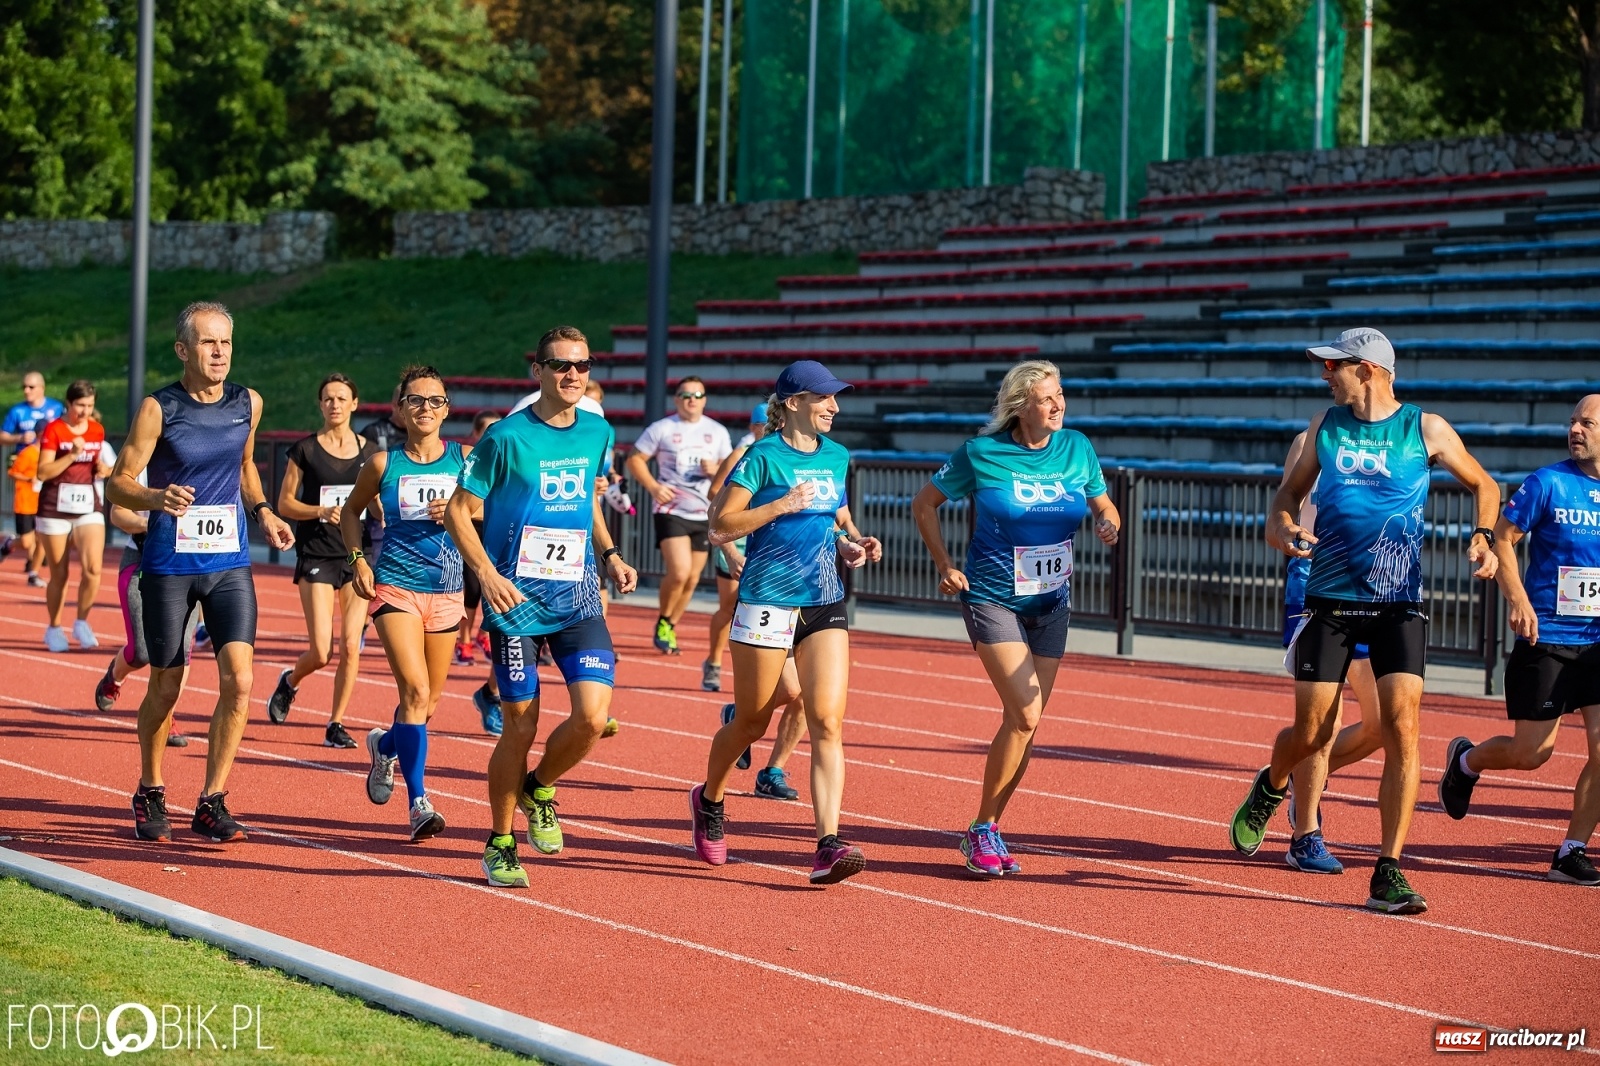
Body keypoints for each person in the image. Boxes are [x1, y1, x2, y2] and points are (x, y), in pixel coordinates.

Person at [1230, 327, 1500, 915]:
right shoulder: (1324, 429)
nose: (1326, 375)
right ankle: (1272, 784)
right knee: (1310, 734)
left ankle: (1388, 869)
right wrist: (1283, 530)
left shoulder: (1424, 428)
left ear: (1370, 370)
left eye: (1336, 366)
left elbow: (1485, 484)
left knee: (1402, 730)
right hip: (1329, 600)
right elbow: (1283, 502)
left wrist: (1482, 537)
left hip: (1398, 603)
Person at [445, 325, 638, 889]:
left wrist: (610, 553)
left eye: (581, 364)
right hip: (517, 601)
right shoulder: (505, 438)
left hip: (577, 594)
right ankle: (500, 843)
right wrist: (485, 575)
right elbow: (460, 511)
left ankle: (540, 788)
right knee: (520, 728)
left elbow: (586, 503)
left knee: (592, 717)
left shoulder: (597, 431)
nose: (572, 374)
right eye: (560, 365)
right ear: (538, 372)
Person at [910, 361, 1120, 876]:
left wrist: (1107, 521)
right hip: (992, 597)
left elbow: (1103, 504)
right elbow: (924, 504)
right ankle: (982, 828)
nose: (1058, 405)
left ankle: (989, 828)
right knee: (1025, 713)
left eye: (1061, 394)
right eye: (1047, 398)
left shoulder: (1077, 448)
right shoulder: (981, 454)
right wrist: (944, 564)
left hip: (1052, 603)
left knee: (1025, 724)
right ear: (1021, 405)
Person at [108, 300, 295, 844]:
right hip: (169, 564)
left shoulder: (248, 403)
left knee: (240, 680)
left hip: (229, 562)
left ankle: (212, 800)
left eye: (227, 343)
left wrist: (263, 511)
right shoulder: (158, 408)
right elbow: (116, 483)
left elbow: (244, 469)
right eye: (209, 343)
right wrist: (154, 495)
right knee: (166, 685)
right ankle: (150, 788)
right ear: (183, 350)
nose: (220, 353)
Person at [692, 360, 883, 885]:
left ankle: (827, 843)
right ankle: (709, 799)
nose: (835, 408)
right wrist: (778, 505)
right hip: (767, 601)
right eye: (825, 398)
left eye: (836, 398)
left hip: (824, 600)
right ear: (794, 401)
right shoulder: (762, 455)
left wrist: (852, 542)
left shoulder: (837, 456)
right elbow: (720, 526)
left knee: (827, 719)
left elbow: (833, 516)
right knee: (752, 722)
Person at [1437, 394, 1600, 887]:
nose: (1575, 429)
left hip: (1597, 641)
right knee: (1533, 753)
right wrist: (1517, 599)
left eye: (1587, 422)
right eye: (1572, 421)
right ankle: (1466, 761)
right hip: (1546, 633)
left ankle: (1571, 849)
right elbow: (1502, 538)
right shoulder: (1547, 482)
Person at [341, 366, 468, 842]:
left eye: (435, 401)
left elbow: (492, 507)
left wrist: (461, 509)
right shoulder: (382, 464)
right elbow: (351, 512)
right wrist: (358, 559)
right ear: (400, 409)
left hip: (448, 589)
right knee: (414, 691)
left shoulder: (464, 460)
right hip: (394, 586)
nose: (426, 409)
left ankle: (384, 745)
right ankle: (419, 803)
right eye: (415, 401)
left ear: (447, 408)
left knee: (428, 703)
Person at [1275, 430, 1382, 875]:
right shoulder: (1309, 441)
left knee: (1383, 725)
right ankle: (1305, 835)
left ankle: (1299, 783)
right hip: (1315, 585)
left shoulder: (1394, 442)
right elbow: (1286, 506)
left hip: (1375, 587)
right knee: (1324, 724)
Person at [265, 374, 379, 747]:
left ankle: (336, 722)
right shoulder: (305, 450)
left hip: (355, 553)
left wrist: (376, 506)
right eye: (328, 399)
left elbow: (377, 502)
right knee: (321, 650)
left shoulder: (370, 451)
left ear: (354, 403)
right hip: (316, 552)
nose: (334, 405)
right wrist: (319, 510)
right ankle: (291, 680)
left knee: (350, 645)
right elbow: (284, 504)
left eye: (341, 398)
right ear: (320, 405)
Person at [706, 403, 803, 800]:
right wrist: (731, 553)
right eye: (764, 424)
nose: (771, 429)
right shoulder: (753, 457)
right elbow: (718, 510)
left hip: (806, 583)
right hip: (758, 576)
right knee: (793, 691)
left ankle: (774, 770)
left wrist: (849, 537)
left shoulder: (812, 458)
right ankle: (741, 713)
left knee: (807, 694)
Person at [625, 377, 731, 661]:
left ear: (705, 399)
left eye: (697, 394)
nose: (692, 400)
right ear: (676, 399)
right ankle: (663, 619)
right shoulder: (662, 428)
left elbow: (729, 470)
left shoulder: (717, 432)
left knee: (693, 578)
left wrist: (716, 469)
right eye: (686, 395)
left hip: (704, 511)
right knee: (680, 571)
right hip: (671, 510)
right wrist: (654, 487)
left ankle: (670, 624)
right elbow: (634, 459)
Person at [94, 471, 199, 748]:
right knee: (141, 651)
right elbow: (118, 514)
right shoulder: (143, 463)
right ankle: (115, 675)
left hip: (189, 564)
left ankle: (167, 715)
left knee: (181, 650)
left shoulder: (204, 462)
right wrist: (149, 523)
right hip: (141, 560)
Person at [36, 379, 113, 652]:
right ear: (68, 404)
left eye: (90, 406)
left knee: (93, 569)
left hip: (86, 505)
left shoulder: (96, 429)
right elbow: (42, 472)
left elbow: (93, 464)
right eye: (80, 405)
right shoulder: (55, 430)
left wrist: (101, 469)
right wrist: (71, 455)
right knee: (60, 573)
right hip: (54, 507)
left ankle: (81, 621)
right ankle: (54, 627)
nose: (85, 411)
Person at [2, 372, 61, 584]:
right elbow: (2, 436)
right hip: (27, 472)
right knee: (29, 539)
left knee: (42, 532)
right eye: (24, 387)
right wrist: (20, 438)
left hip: (48, 476)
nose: (26, 390)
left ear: (41, 387)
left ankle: (33, 570)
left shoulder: (56, 408)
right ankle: (23, 552)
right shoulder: (18, 411)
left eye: (31, 387)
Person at [455, 410, 502, 667]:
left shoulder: (507, 458)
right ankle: (463, 640)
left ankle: (485, 636)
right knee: (472, 589)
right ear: (475, 434)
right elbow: (463, 506)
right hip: (472, 530)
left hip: (499, 532)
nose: (493, 434)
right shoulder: (468, 461)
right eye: (487, 430)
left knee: (495, 588)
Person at [8, 440, 44, 586]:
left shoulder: (53, 455)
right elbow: (12, 472)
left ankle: (33, 573)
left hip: (43, 503)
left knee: (41, 539)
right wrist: (29, 478)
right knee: (26, 541)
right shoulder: (28, 453)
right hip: (25, 503)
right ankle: (8, 544)